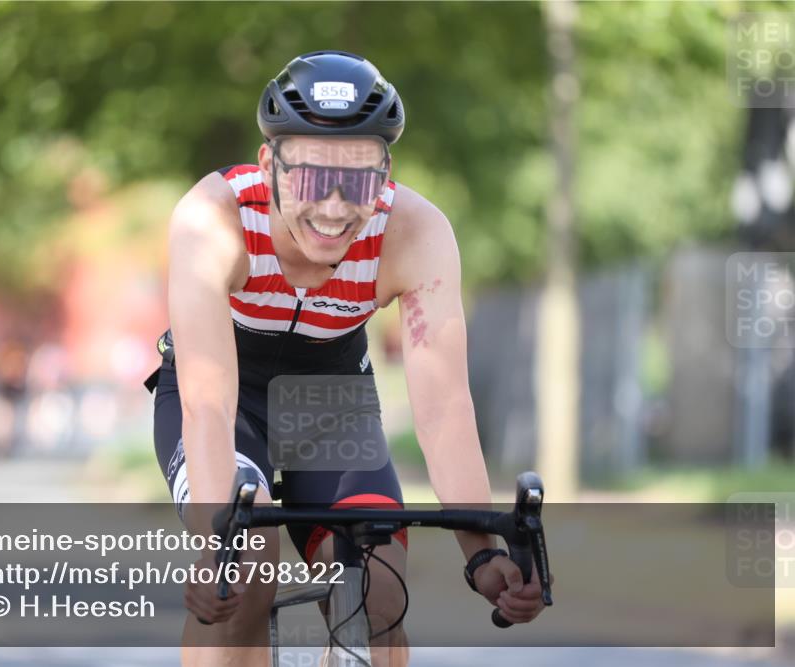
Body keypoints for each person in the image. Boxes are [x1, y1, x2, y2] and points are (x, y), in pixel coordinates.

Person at [145, 50, 551, 667]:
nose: (334, 208)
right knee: (245, 571)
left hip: (331, 402)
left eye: (359, 180)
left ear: (386, 174)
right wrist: (214, 545)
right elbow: (207, 401)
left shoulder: (415, 232)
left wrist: (483, 552)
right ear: (268, 164)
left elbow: (443, 406)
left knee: (378, 594)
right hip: (225, 401)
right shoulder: (213, 218)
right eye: (309, 176)